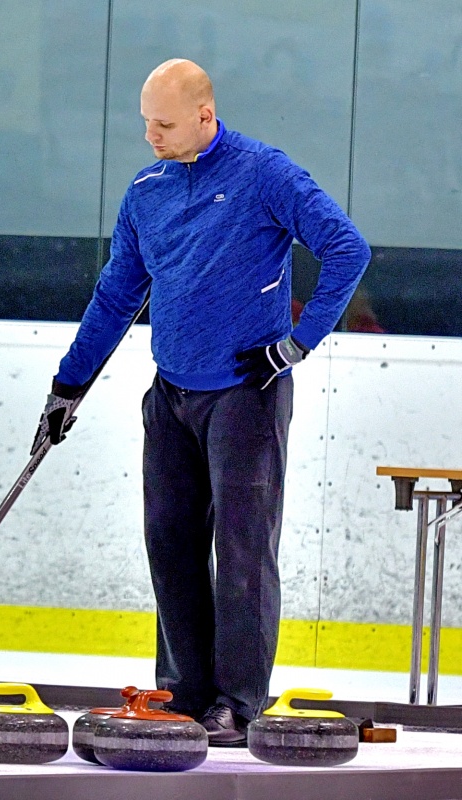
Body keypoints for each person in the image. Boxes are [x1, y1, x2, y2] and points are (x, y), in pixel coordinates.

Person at [37, 59, 370, 746]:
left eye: (163, 123)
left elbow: (347, 249)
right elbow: (116, 294)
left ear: (204, 117)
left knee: (243, 551)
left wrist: (297, 344)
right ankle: (183, 692)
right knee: (170, 544)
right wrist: (69, 384)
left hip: (247, 393)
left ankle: (238, 704)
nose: (150, 135)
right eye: (146, 123)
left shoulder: (264, 173)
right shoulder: (147, 191)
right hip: (171, 394)